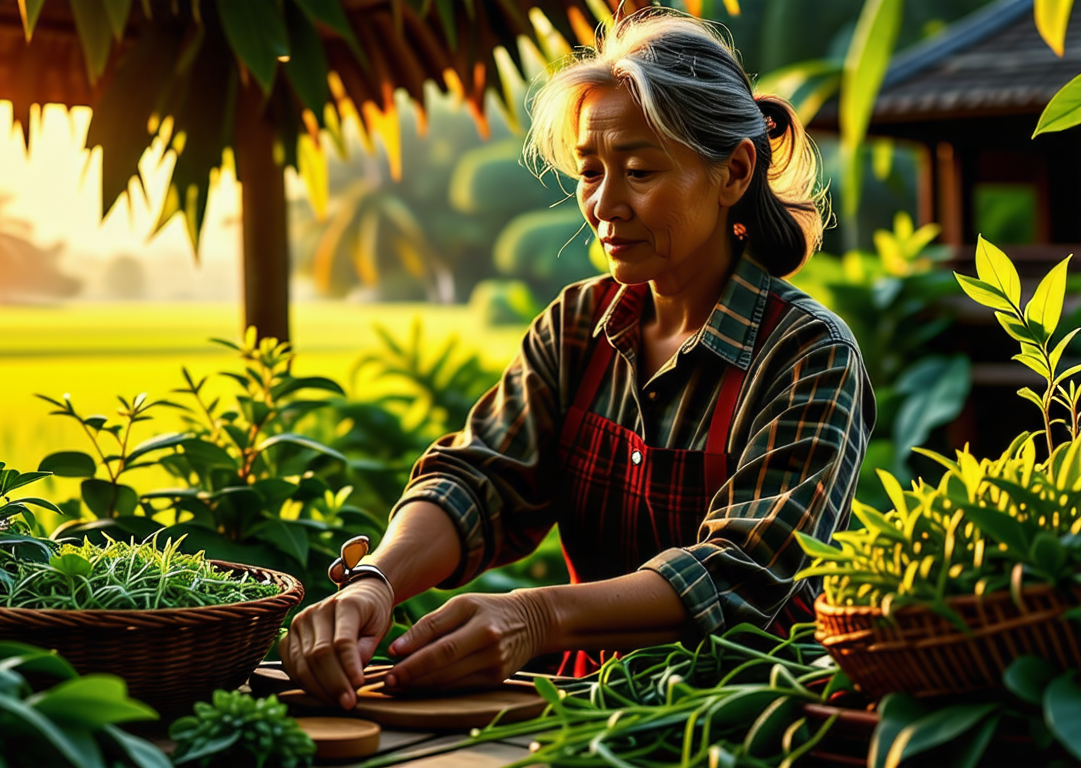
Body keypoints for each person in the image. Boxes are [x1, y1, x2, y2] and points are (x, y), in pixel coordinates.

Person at [279, 8, 875, 710]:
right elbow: (479, 480)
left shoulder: (808, 356)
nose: (603, 204)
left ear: (734, 172)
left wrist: (537, 616)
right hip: (579, 713)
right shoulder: (577, 327)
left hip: (744, 719)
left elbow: (744, 571)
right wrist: (375, 580)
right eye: (591, 171)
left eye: (641, 171)